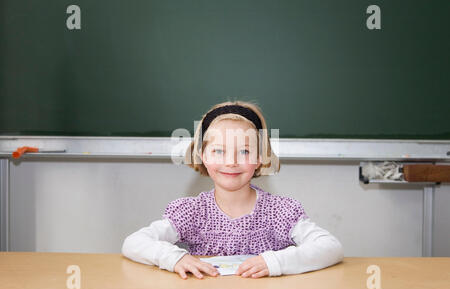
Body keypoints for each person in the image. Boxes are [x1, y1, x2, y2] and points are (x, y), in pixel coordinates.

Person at [122, 101, 343, 279]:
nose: (231, 162)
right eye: (219, 151)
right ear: (203, 156)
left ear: (260, 157)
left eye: (244, 152)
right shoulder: (191, 211)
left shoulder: (280, 211)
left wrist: (275, 262)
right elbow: (133, 243)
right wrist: (174, 258)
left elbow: (331, 247)